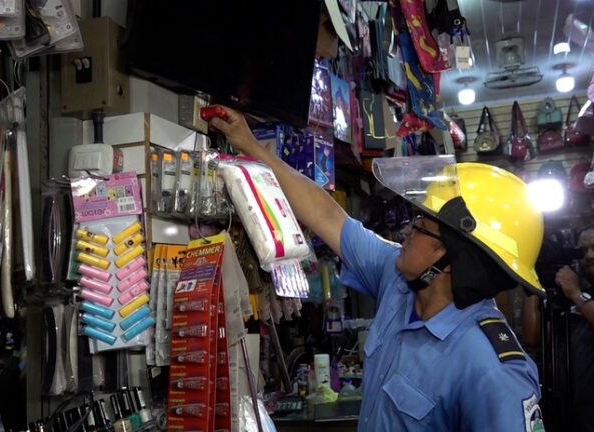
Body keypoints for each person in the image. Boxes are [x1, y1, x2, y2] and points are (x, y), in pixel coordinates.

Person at [209, 106, 546, 431]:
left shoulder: (491, 368)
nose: (406, 232)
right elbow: (326, 216)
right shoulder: (399, 279)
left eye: (420, 224)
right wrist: (249, 145)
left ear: (450, 257)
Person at [522, 223, 594, 432]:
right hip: (569, 416)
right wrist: (534, 281)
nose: (590, 256)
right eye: (583, 251)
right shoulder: (578, 293)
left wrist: (577, 296)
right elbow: (534, 338)